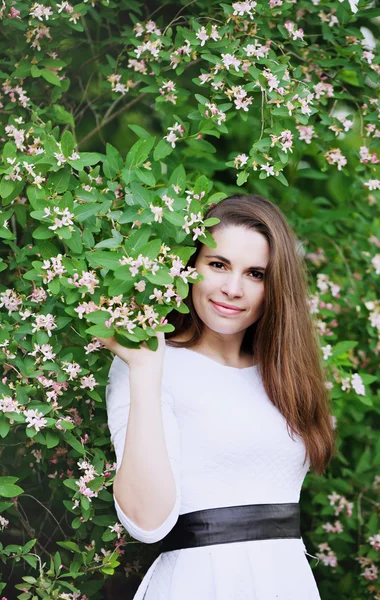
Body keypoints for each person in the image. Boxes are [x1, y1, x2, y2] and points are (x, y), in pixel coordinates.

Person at [101, 194, 336, 600]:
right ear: (190, 266)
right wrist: (144, 369)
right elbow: (146, 522)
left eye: (256, 274)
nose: (232, 288)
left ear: (276, 285)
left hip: (287, 581)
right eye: (218, 264)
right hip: (199, 583)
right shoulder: (150, 363)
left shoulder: (283, 373)